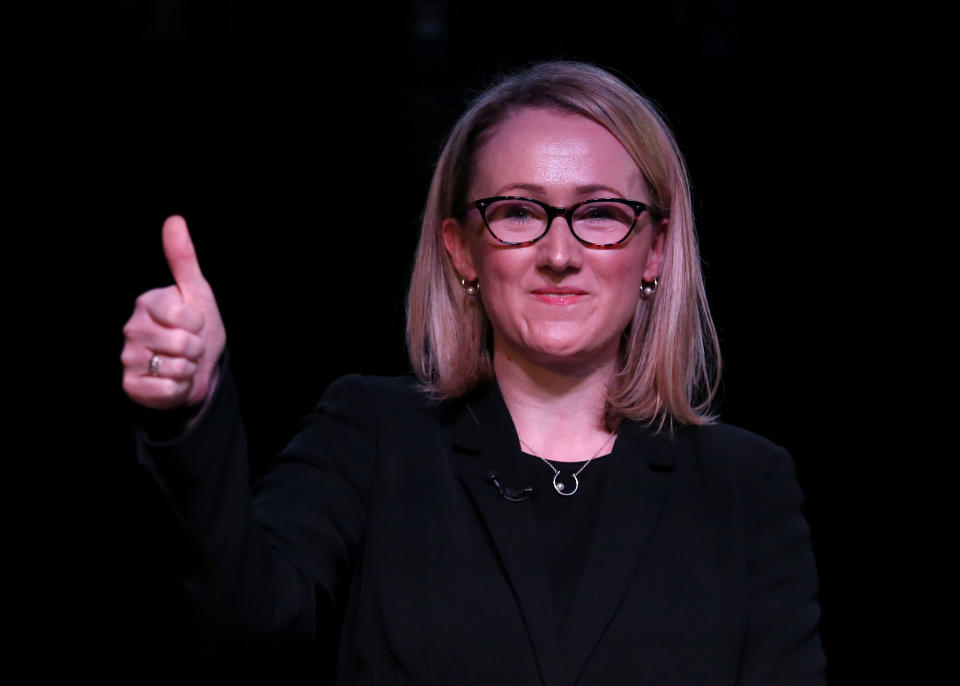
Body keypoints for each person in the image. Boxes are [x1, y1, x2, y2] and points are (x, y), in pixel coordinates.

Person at [122, 61, 826, 684]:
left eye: (602, 213)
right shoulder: (372, 437)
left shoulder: (747, 486)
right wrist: (190, 408)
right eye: (518, 212)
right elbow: (236, 628)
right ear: (460, 249)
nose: (559, 252)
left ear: (654, 252)